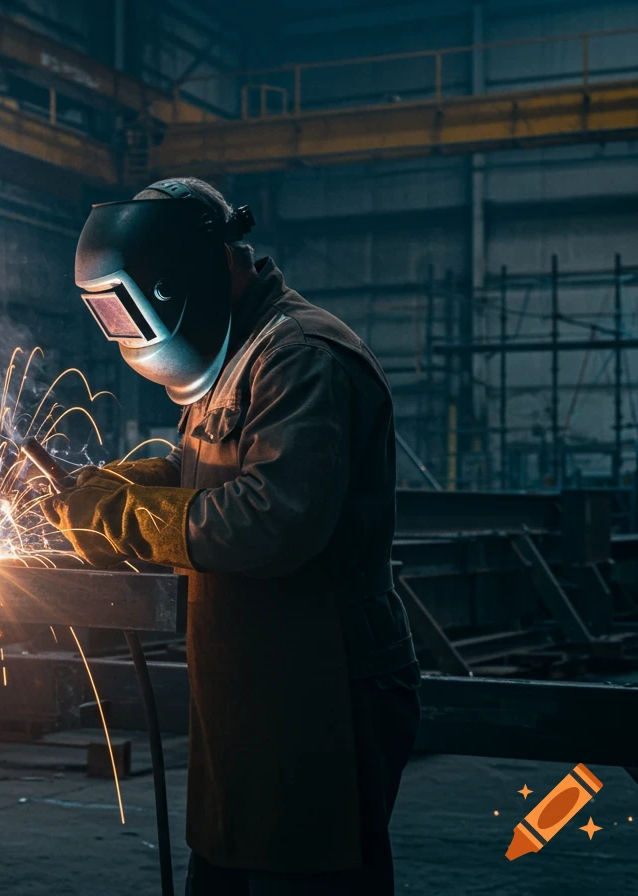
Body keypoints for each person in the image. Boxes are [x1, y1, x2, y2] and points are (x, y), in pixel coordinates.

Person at [42, 177, 421, 895]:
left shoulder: (301, 354)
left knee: (308, 880)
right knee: (226, 875)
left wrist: (120, 516)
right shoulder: (234, 352)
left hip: (322, 692)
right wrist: (120, 483)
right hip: (250, 688)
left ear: (183, 277)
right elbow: (204, 469)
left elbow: (272, 519)